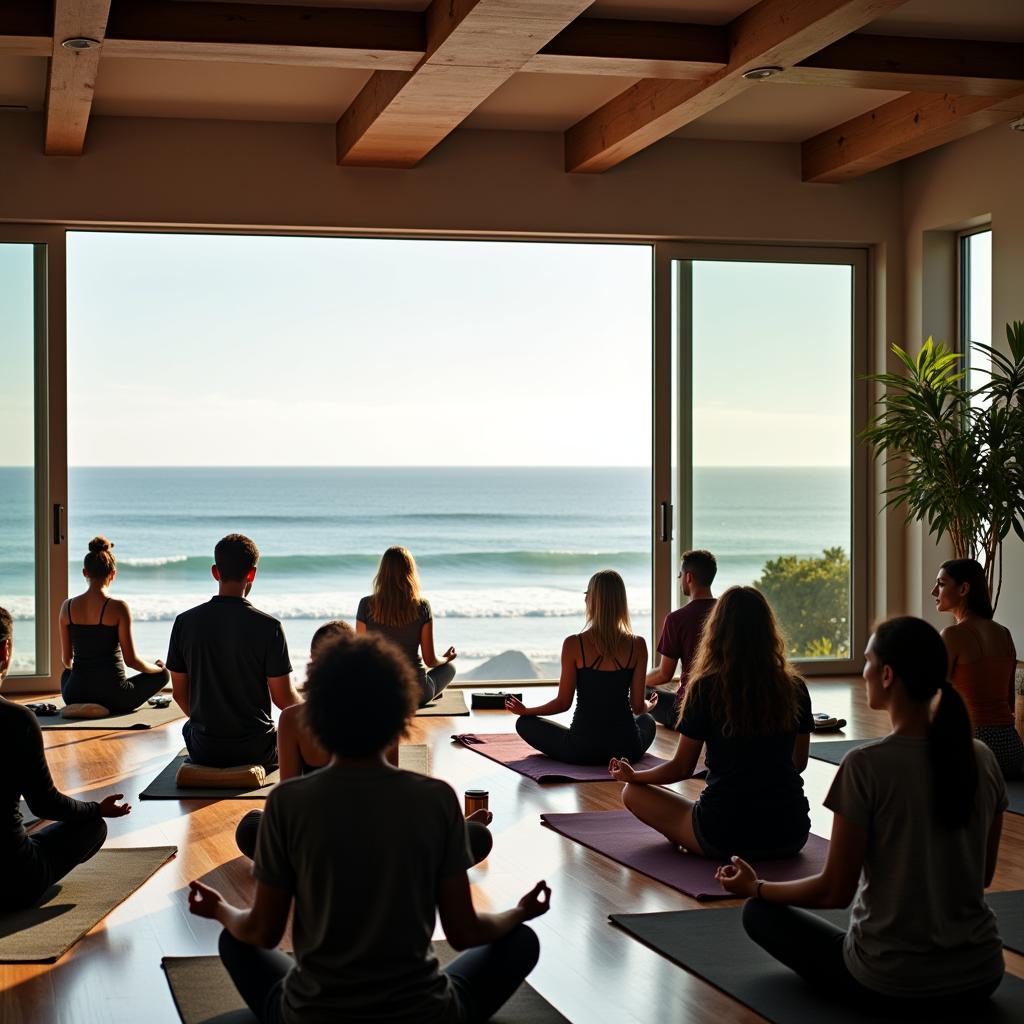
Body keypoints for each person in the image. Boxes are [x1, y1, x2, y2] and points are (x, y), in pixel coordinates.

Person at [188, 631, 549, 1024]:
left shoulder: (288, 803)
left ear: (317, 712)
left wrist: (220, 910)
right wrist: (519, 912)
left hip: (312, 1016)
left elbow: (261, 932)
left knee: (235, 941)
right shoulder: (435, 799)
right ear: (399, 711)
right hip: (424, 1014)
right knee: (520, 942)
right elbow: (464, 932)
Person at [717, 616, 1006, 1010]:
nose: (863, 670)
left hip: (889, 980)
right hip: (982, 973)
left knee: (758, 914)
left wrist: (757, 888)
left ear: (887, 675)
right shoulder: (982, 758)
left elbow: (836, 891)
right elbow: (984, 874)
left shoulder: (866, 765)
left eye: (867, 660)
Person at [234, 620, 493, 861]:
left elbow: (289, 797)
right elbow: (392, 786)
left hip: (319, 842)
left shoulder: (293, 718)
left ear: (313, 664)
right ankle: (445, 839)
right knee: (472, 836)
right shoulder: (383, 712)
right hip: (378, 838)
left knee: (251, 826)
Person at [610, 586, 812, 860]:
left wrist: (635, 776)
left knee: (632, 793)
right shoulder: (795, 687)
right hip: (790, 833)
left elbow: (682, 768)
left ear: (716, 632)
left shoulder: (706, 689)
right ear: (768, 631)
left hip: (723, 834)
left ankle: (689, 839)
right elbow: (798, 763)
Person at [0, 606, 131, 910]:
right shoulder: (17, 720)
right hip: (13, 880)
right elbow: (44, 804)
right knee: (93, 826)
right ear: (5, 651)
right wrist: (96, 808)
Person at [167, 534, 300, 770]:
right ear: (252, 574)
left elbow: (178, 694)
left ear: (215, 572)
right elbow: (284, 700)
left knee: (190, 727)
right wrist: (315, 711)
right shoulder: (269, 627)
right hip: (257, 750)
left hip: (204, 750)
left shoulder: (184, 623)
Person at [505, 570, 657, 765]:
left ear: (593, 601)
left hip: (581, 749)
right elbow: (638, 707)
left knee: (525, 724)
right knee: (648, 721)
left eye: (587, 594)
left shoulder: (574, 644)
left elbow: (562, 703)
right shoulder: (638, 645)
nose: (585, 599)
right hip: (626, 750)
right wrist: (650, 705)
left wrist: (526, 711)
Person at [932, 558, 1023, 778]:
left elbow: (936, 697)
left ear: (963, 589)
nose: (934, 591)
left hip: (973, 749)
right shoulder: (1005, 633)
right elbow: (1009, 700)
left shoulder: (952, 635)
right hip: (1012, 752)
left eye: (941, 584)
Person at [59, 536, 170, 714]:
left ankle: (83, 705)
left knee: (66, 675)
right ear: (113, 574)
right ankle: (101, 707)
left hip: (75, 694)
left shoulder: (67, 607)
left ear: (85, 573)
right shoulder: (119, 608)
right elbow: (131, 661)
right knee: (164, 675)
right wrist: (157, 669)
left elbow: (66, 661)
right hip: (114, 696)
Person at [356, 546, 456, 708]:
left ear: (383, 572)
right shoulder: (422, 606)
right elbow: (430, 660)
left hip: (378, 694)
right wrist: (446, 658)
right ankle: (434, 691)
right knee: (449, 668)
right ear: (410, 572)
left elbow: (360, 657)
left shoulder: (366, 604)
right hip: (415, 693)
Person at [645, 549, 717, 727]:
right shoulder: (726, 612)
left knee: (642, 690)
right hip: (724, 705)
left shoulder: (677, 619)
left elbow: (664, 674)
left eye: (680, 574)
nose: (679, 579)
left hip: (689, 710)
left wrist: (634, 681)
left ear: (689, 577)